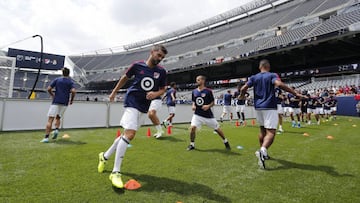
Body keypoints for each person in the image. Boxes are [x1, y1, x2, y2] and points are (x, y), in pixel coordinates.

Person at [97, 45, 167, 188]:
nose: (159, 59)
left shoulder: (161, 72)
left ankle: (104, 157)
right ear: (152, 52)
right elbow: (124, 78)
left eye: (162, 57)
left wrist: (156, 94)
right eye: (158, 55)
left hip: (144, 105)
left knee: (125, 135)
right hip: (131, 101)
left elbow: (163, 89)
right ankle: (116, 172)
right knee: (130, 134)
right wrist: (114, 92)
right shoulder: (137, 65)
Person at [240, 59, 301, 169]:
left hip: (258, 107)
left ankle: (264, 153)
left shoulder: (254, 77)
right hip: (269, 106)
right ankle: (263, 151)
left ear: (260, 67)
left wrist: (242, 95)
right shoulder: (272, 75)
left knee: (262, 130)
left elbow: (244, 88)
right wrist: (294, 93)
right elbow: (279, 84)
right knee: (271, 132)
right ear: (268, 66)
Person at [187, 75, 231, 151]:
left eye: (198, 80)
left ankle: (225, 141)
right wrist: (193, 105)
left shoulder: (208, 91)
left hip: (208, 116)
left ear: (203, 81)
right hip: (197, 114)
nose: (197, 81)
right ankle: (192, 144)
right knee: (192, 128)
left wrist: (208, 106)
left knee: (217, 129)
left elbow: (213, 102)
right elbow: (194, 101)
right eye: (196, 80)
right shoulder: (194, 91)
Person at [40, 67, 76, 143]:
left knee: (50, 120)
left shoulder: (57, 80)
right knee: (58, 118)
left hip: (56, 101)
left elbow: (49, 89)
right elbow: (73, 91)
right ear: (68, 73)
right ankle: (56, 130)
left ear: (62, 73)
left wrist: (53, 95)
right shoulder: (70, 82)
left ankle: (46, 138)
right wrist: (71, 100)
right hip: (64, 102)